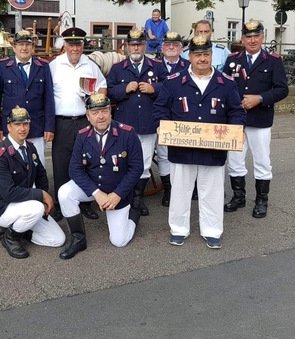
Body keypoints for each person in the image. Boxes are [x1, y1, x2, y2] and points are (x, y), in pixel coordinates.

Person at [153, 35, 246, 249]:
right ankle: (178, 229)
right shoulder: (174, 81)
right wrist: (161, 125)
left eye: (206, 54)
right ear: (189, 56)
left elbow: (236, 112)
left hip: (214, 149)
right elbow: (160, 108)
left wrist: (238, 129)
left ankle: (212, 230)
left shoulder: (226, 84)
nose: (202, 59)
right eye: (197, 54)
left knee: (211, 192)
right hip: (181, 148)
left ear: (212, 55)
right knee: (179, 192)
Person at [57, 93, 143, 259]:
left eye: (104, 111)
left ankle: (134, 213)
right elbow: (75, 169)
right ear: (88, 116)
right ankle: (78, 238)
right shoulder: (82, 136)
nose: (100, 116)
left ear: (111, 112)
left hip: (117, 191)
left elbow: (136, 168)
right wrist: (96, 193)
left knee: (119, 241)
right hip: (94, 188)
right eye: (95, 113)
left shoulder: (127, 133)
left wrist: (118, 195)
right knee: (64, 193)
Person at [223, 20, 289, 219]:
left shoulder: (273, 61)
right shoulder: (233, 59)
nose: (252, 40)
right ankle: (238, 196)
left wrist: (259, 99)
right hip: (236, 119)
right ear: (242, 39)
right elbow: (225, 85)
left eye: (256, 36)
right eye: (248, 37)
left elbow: (282, 89)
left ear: (262, 37)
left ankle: (261, 200)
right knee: (234, 160)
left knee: (261, 161)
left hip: (260, 118)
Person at [0, 107, 65, 259]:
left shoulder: (29, 147)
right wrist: (40, 196)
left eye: (25, 124)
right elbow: (9, 193)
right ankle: (10, 238)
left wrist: (42, 194)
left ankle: (19, 228)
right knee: (35, 208)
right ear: (9, 126)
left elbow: (41, 175)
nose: (22, 128)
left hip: (25, 204)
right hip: (2, 206)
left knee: (57, 240)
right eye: (17, 125)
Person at [49, 27, 107, 222]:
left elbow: (103, 85)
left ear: (83, 46)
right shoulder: (54, 65)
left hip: (84, 121)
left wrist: (97, 100)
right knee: (61, 164)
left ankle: (85, 203)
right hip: (62, 122)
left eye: (78, 44)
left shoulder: (90, 65)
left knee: (86, 162)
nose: (75, 48)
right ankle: (59, 204)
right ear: (64, 45)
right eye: (71, 44)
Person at [107, 29, 167, 216]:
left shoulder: (156, 65)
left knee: (145, 163)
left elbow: (169, 86)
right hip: (125, 124)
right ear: (127, 47)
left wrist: (153, 88)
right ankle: (126, 196)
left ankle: (137, 200)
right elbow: (108, 91)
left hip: (148, 123)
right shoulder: (118, 68)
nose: (136, 47)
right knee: (124, 162)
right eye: (133, 44)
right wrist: (125, 88)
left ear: (144, 46)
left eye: (139, 44)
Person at [0, 30, 55, 166]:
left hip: (36, 126)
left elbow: (49, 99)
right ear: (14, 47)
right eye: (20, 44)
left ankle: (38, 188)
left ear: (32, 47)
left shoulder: (43, 67)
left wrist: (49, 127)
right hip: (11, 127)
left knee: (38, 165)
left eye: (27, 44)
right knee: (13, 165)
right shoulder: (2, 67)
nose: (24, 48)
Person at [157, 31, 190, 207]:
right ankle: (169, 190)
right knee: (163, 155)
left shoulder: (188, 65)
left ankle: (188, 188)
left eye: (175, 45)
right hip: (160, 115)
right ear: (162, 48)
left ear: (182, 48)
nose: (171, 47)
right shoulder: (153, 65)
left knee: (185, 153)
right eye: (168, 44)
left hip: (182, 116)